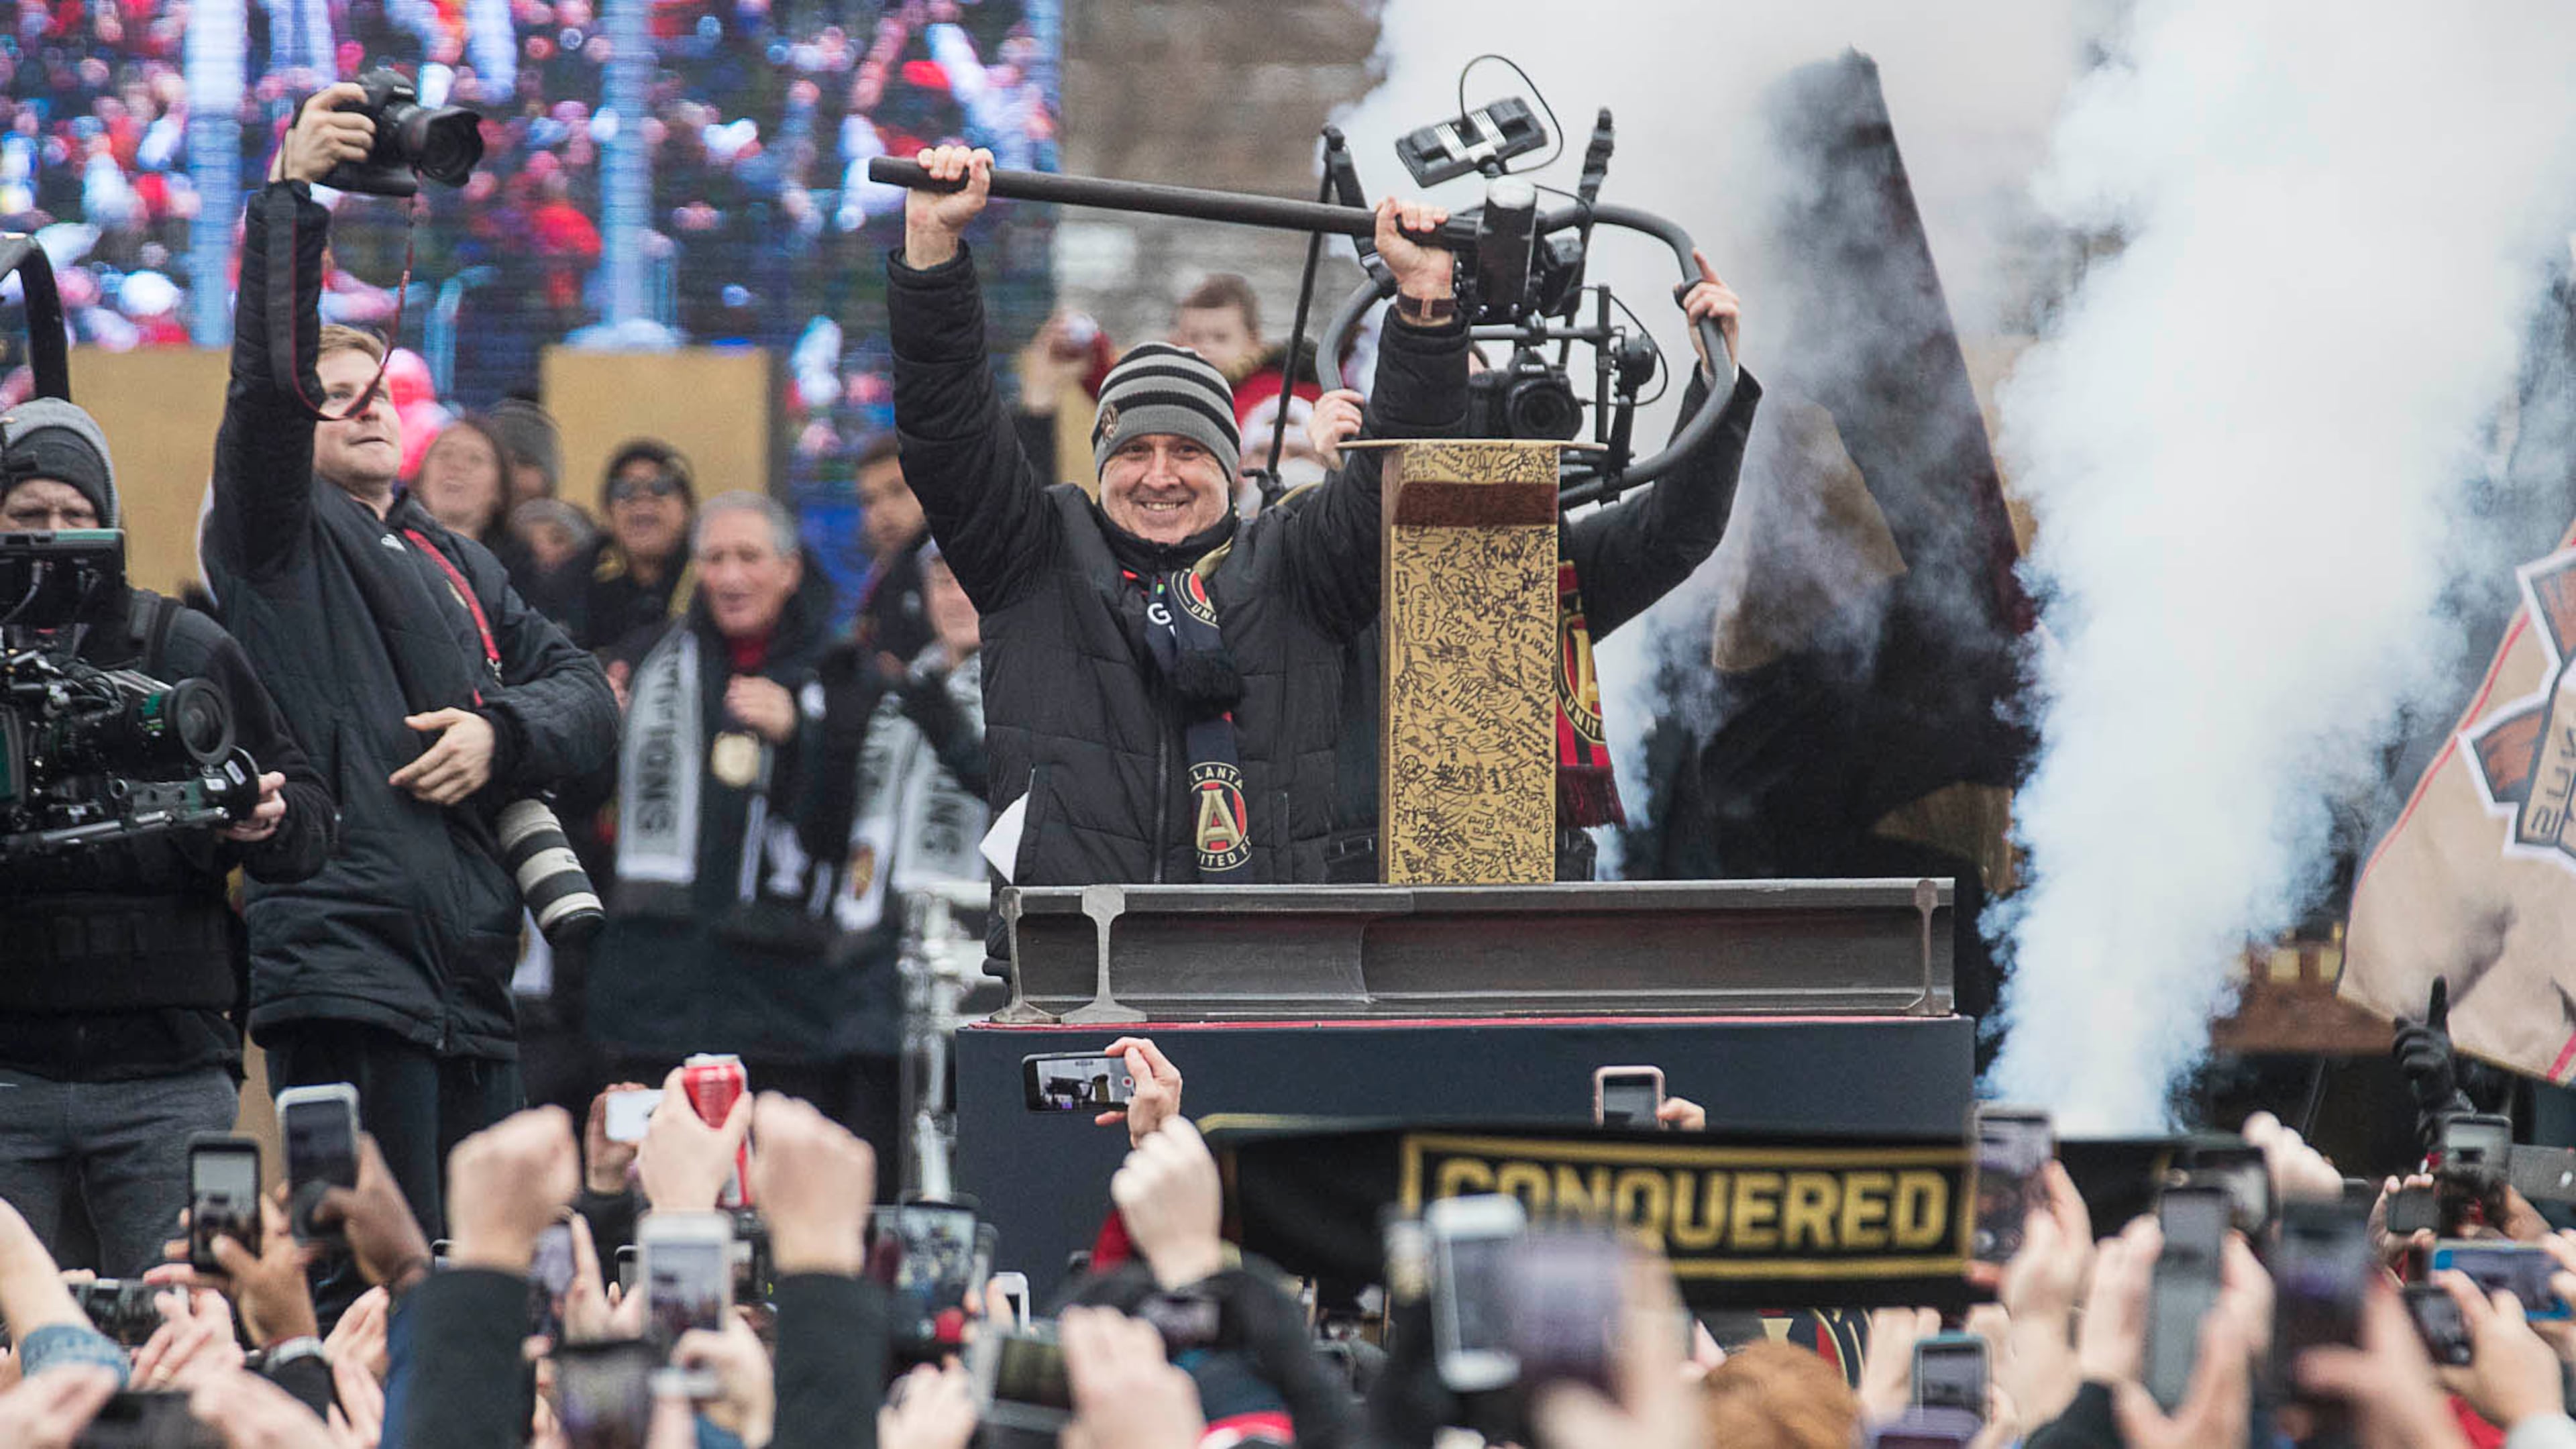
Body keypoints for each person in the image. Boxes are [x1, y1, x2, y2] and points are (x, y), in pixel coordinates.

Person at [197, 85, 619, 1272]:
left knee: (482, 1278)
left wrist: (501, 736)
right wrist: (293, 199)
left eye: (382, 386)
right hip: (344, 967)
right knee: (358, 1280)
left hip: (472, 978)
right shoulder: (270, 537)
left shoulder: (454, 555)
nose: (369, 401)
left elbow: (585, 697)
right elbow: (264, 396)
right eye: (339, 394)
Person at [888, 144, 1463, 903]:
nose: (1159, 474)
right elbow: (949, 434)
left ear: (1229, 467)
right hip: (1070, 967)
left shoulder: (1298, 564)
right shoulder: (1035, 554)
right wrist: (932, 253)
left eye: (1188, 450)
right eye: (1133, 451)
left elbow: (1400, 474)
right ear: (1100, 464)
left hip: (1262, 969)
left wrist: (1423, 303)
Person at [0, 399, 335, 1276]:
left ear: (110, 520)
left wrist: (263, 820)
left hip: (166, 1066)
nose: (54, 536)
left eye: (76, 516)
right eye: (28, 516)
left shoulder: (180, 647)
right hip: (8, 1070)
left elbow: (308, 818)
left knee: (184, 1327)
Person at [1301, 250, 1760, 879]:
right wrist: (1343, 479)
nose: (1456, 433)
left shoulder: (1544, 558)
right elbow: (1289, 581)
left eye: (1474, 404)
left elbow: (1674, 531)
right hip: (1374, 886)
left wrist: (1718, 376)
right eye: (1431, 408)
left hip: (1526, 887)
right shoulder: (1325, 555)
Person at [588, 492, 897, 1163]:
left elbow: (855, 838)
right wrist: (596, 730)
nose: (730, 577)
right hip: (655, 999)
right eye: (714, 559)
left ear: (789, 568)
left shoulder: (844, 676)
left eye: (749, 557)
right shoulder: (643, 663)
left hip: (788, 1009)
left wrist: (802, 739)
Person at [568, 438, 698, 653]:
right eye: (623, 489)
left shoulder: (711, 574)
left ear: (687, 507)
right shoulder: (579, 579)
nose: (642, 498)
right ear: (608, 513)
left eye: (661, 486)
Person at [413, 414, 545, 599]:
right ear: (421, 478)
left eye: (475, 459)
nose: (456, 466)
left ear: (499, 490)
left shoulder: (519, 569)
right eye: (445, 454)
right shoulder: (390, 550)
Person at [851, 434, 934, 663]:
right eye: (869, 500)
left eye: (898, 491)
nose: (884, 510)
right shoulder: (882, 575)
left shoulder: (944, 569)